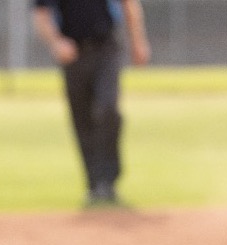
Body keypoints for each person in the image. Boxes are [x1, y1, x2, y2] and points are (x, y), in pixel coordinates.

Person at [31, 0, 152, 209]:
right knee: (82, 119)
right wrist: (56, 42)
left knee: (107, 109)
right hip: (73, 54)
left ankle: (108, 182)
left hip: (106, 47)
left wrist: (138, 41)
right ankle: (95, 186)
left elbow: (129, 4)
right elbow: (41, 16)